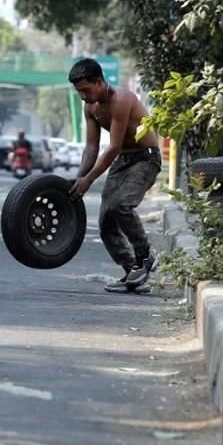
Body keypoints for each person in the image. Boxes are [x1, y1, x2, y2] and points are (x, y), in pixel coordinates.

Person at [68, 58, 162, 294]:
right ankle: (133, 272)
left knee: (121, 205)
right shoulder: (90, 107)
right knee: (106, 221)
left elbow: (113, 147)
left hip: (145, 158)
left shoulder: (122, 99)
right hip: (124, 161)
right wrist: (78, 180)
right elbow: (91, 148)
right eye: (79, 92)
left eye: (86, 90)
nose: (83, 96)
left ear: (99, 82)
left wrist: (89, 181)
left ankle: (145, 256)